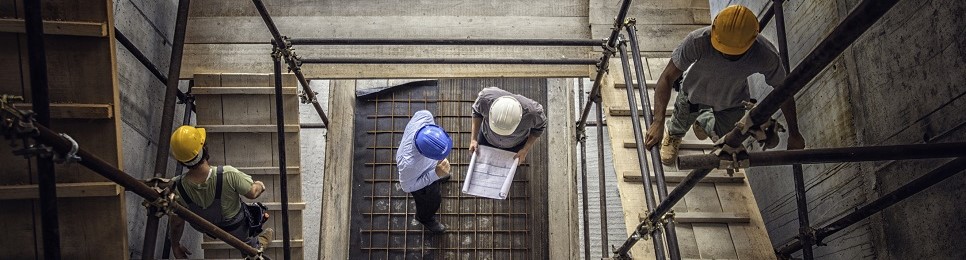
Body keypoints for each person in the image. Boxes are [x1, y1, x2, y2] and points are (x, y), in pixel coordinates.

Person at [644, 5, 806, 165]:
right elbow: (666, 77)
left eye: (734, 52)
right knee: (680, 122)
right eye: (723, 48)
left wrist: (794, 133)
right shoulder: (697, 41)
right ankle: (674, 135)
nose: (727, 54)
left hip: (731, 102)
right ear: (715, 31)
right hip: (693, 95)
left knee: (729, 141)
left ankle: (704, 121)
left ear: (752, 40)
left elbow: (783, 91)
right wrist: (658, 122)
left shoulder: (764, 54)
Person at [167, 125, 273, 258]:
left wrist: (175, 246)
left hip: (208, 229)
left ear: (181, 160)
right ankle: (255, 247)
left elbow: (176, 223)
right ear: (203, 148)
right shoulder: (228, 174)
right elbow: (252, 193)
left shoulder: (176, 187)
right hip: (235, 228)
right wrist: (260, 185)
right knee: (251, 221)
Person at [396, 110, 453, 233]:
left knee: (439, 177)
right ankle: (425, 218)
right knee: (432, 201)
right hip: (419, 179)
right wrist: (434, 175)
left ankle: (439, 176)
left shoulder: (425, 117)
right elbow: (407, 187)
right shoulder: (409, 164)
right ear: (425, 155)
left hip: (428, 167)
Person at [468, 87, 547, 163]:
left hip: (515, 144)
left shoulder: (533, 114)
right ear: (491, 110)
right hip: (486, 138)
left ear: (519, 119)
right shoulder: (484, 100)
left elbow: (539, 128)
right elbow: (476, 113)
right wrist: (473, 139)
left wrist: (525, 150)